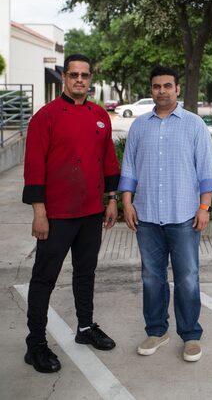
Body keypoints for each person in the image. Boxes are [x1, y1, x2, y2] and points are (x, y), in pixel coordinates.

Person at [22, 54, 120, 374]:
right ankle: (35, 342)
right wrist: (39, 212)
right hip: (57, 215)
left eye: (85, 75)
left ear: (91, 79)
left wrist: (112, 199)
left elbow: (107, 161)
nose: (79, 80)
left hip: (91, 211)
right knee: (44, 277)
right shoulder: (46, 117)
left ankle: (85, 327)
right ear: (64, 77)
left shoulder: (100, 116)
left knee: (85, 273)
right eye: (73, 74)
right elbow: (35, 167)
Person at [119, 65, 212, 363]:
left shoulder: (194, 125)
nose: (161, 90)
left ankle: (190, 335)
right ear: (151, 90)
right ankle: (157, 330)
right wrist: (126, 202)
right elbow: (129, 169)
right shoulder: (139, 126)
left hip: (185, 216)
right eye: (156, 86)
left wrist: (204, 208)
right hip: (147, 216)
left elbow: (207, 171)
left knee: (188, 277)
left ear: (177, 89)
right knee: (152, 277)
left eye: (167, 86)